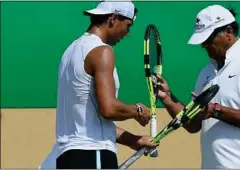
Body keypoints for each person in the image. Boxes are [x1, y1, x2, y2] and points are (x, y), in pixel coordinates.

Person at [39, 1, 159, 169]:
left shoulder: (70, 51)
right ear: (114, 19)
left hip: (66, 157)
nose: (127, 33)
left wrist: (134, 140)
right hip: (92, 154)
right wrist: (138, 110)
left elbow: (90, 122)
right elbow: (108, 109)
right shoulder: (102, 51)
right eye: (128, 26)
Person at [156, 4, 240, 169]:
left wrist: (215, 111)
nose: (204, 46)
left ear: (229, 33)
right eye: (202, 41)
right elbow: (193, 125)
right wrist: (167, 98)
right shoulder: (206, 72)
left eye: (208, 39)